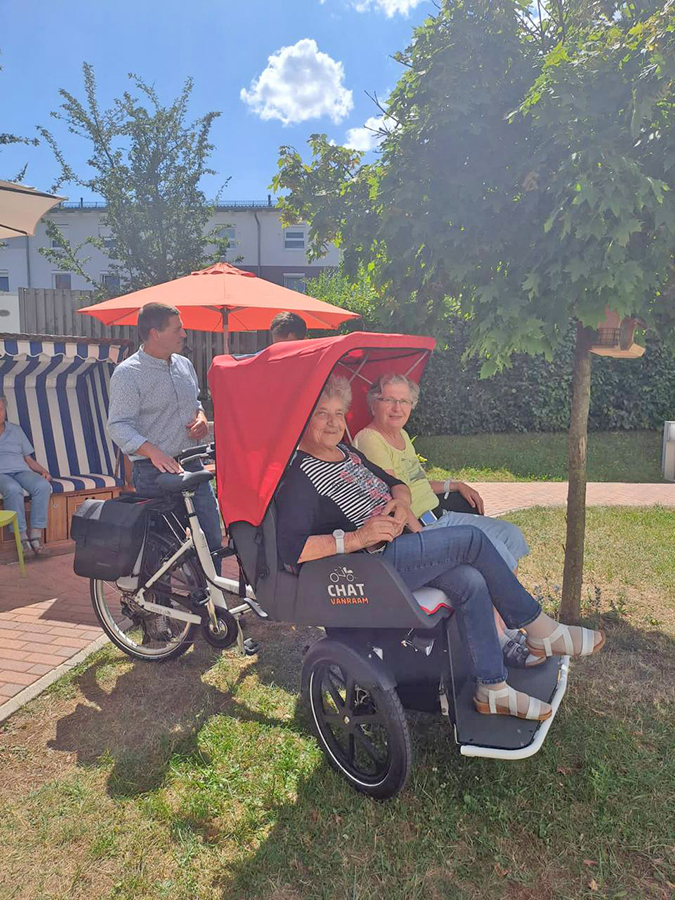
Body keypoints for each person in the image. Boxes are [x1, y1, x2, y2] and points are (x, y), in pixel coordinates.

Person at [276, 376, 605, 722]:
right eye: (321, 414)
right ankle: (538, 628)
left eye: (339, 413)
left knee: (470, 580)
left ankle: (492, 689)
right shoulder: (299, 475)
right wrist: (357, 538)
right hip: (370, 565)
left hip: (399, 543)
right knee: (470, 539)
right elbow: (292, 549)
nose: (332, 423)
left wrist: (402, 505)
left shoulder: (347, 453)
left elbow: (397, 485)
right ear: (301, 419)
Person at [353, 372, 538, 667]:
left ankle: (508, 625)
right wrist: (422, 534)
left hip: (440, 515)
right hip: (423, 529)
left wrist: (454, 485)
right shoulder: (370, 440)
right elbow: (392, 495)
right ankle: (500, 639)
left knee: (511, 536)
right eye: (390, 400)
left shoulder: (399, 435)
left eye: (404, 401)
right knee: (496, 554)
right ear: (375, 402)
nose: (398, 408)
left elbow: (416, 481)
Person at [107, 302, 223, 571]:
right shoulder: (127, 374)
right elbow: (119, 426)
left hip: (192, 466)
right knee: (162, 548)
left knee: (211, 539)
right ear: (154, 333)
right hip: (153, 473)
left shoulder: (184, 365)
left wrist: (202, 419)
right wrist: (153, 451)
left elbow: (194, 402)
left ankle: (212, 606)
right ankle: (161, 609)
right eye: (177, 329)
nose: (184, 334)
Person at [0, 395, 52, 556]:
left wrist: (44, 471)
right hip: (1, 474)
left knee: (43, 486)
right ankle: (21, 537)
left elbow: (28, 459)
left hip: (22, 471)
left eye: (0, 409)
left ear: (5, 411)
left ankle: (36, 535)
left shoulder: (15, 430)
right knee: (13, 489)